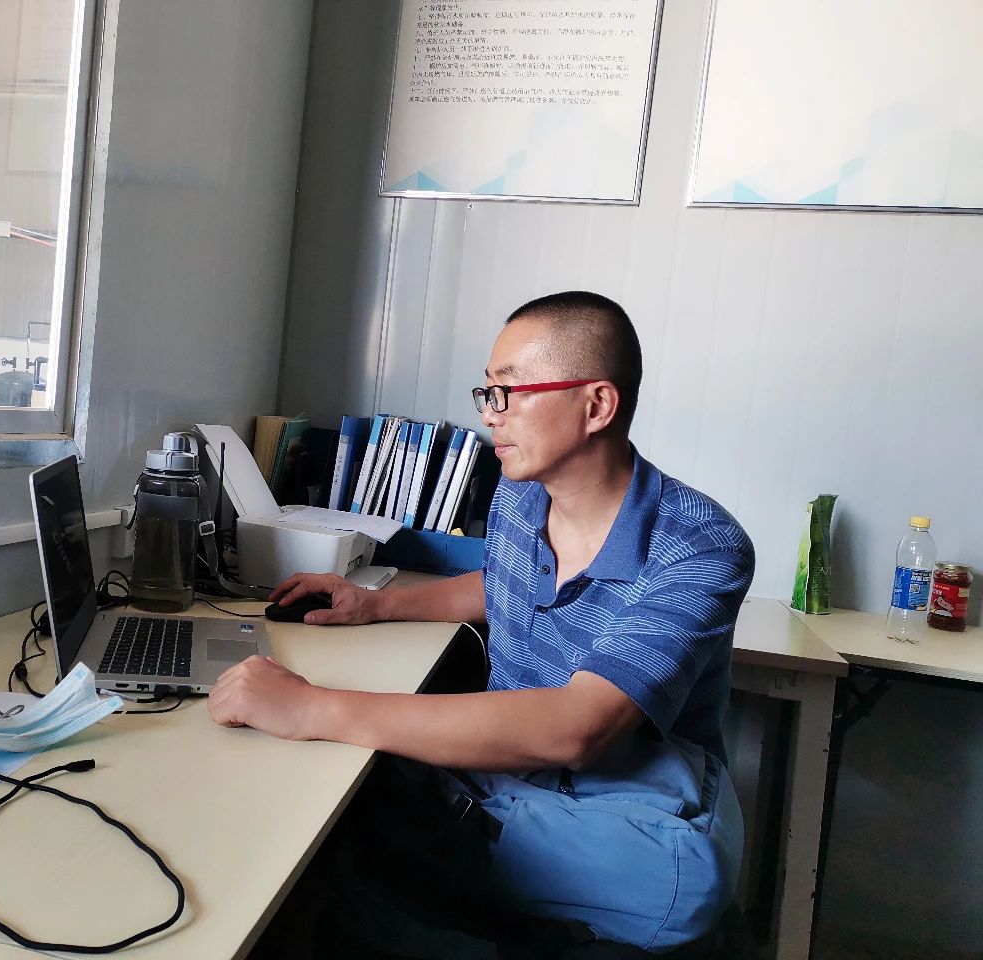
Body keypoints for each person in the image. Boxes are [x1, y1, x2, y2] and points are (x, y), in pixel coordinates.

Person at [209, 291, 755, 953]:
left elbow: (576, 727)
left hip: (614, 820)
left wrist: (312, 707)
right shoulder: (522, 496)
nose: (490, 415)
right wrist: (374, 604)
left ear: (596, 406)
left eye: (509, 392)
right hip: (503, 783)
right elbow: (504, 583)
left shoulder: (699, 544)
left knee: (316, 872)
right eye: (487, 393)